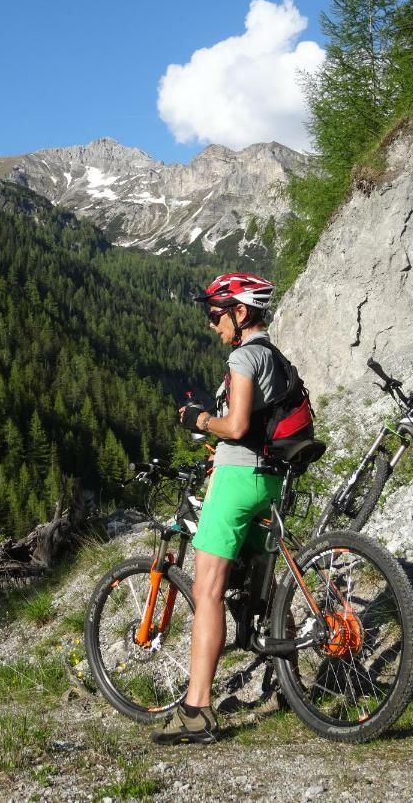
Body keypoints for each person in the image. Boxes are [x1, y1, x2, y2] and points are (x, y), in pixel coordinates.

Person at [151, 271, 286, 745]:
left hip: (237, 481)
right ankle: (288, 686)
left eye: (216, 314)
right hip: (266, 480)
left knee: (207, 591)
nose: (212, 323)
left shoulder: (245, 356)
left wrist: (200, 419)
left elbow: (237, 425)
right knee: (261, 587)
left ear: (240, 312)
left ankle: (197, 710)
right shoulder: (275, 356)